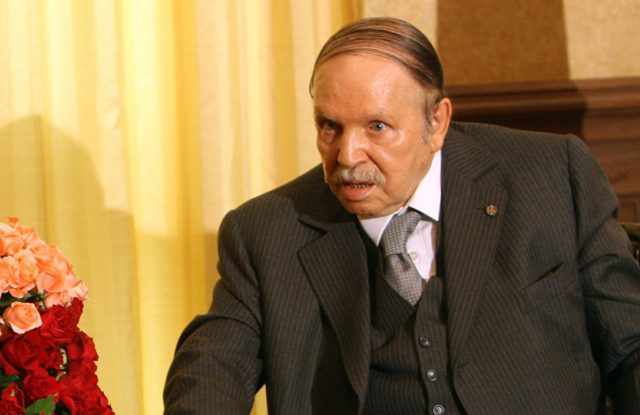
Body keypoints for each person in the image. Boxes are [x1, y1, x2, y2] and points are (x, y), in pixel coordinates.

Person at [163, 17, 640, 414]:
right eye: (330, 126)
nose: (348, 154)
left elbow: (631, 345)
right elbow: (212, 372)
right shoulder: (267, 232)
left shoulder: (551, 176)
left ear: (437, 122)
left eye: (377, 126)